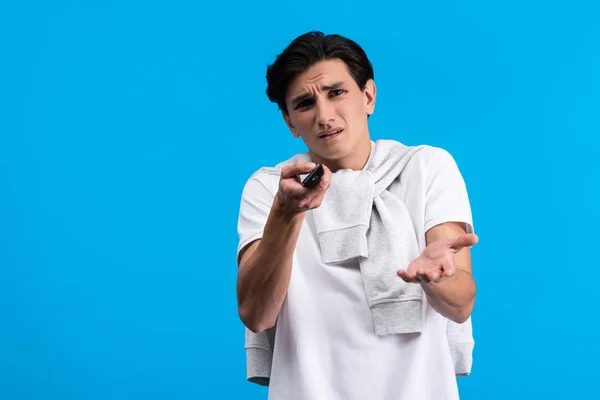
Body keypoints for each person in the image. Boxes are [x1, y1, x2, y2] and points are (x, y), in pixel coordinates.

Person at [235, 31, 479, 400]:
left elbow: (461, 305)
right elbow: (256, 314)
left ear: (368, 96)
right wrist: (286, 215)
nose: (325, 116)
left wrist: (435, 277)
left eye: (336, 93)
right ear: (289, 122)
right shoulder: (271, 189)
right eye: (304, 103)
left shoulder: (427, 167)